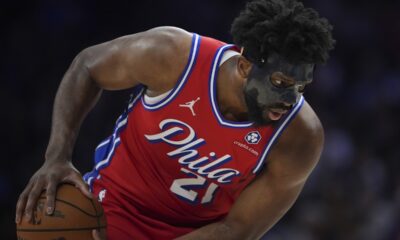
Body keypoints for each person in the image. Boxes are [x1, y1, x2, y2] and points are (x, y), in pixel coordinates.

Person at [16, 0, 335, 239]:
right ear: (245, 65)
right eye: (280, 82)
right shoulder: (172, 56)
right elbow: (87, 66)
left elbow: (238, 229)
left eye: (301, 86)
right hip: (110, 210)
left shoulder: (300, 137)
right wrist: (57, 156)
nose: (291, 98)